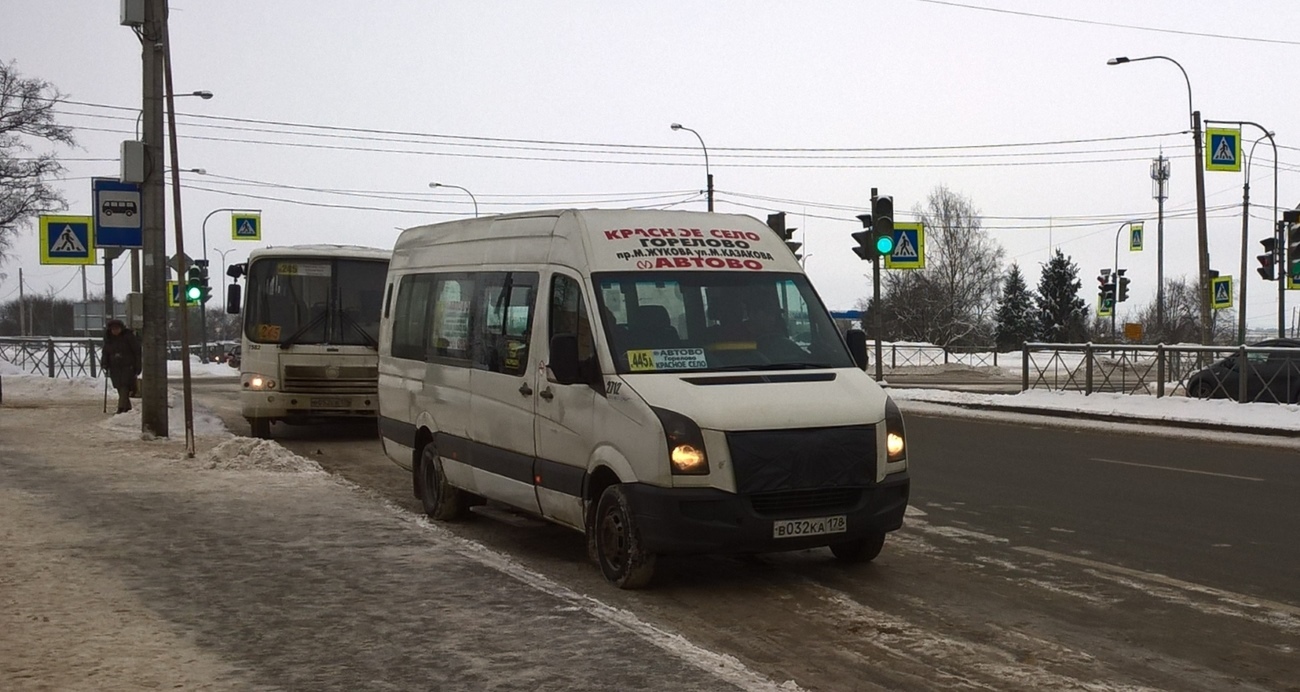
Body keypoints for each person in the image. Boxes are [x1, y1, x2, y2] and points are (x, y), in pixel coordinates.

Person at [102, 319, 141, 414]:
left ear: (121, 328)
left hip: (128, 366)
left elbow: (137, 352)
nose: (115, 331)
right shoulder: (109, 339)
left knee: (124, 386)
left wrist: (138, 366)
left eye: (117, 328)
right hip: (114, 367)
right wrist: (104, 363)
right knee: (119, 386)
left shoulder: (128, 337)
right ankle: (127, 408)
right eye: (113, 329)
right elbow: (105, 352)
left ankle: (121, 407)